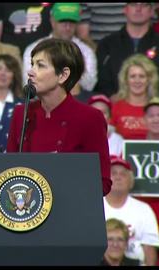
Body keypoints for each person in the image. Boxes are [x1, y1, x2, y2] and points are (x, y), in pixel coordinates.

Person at [6, 38, 112, 196]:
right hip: (27, 211)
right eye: (32, 64)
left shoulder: (90, 118)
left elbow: (102, 182)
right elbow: (7, 173)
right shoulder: (21, 114)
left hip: (70, 210)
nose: (31, 71)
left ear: (63, 75)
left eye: (40, 65)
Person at [95, 2, 159, 98]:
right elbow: (101, 80)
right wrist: (114, 98)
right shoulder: (107, 44)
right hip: (115, 106)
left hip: (154, 106)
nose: (138, 9)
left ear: (151, 11)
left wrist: (152, 100)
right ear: (125, 9)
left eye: (144, 4)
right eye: (133, 4)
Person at [23, 3, 97, 92]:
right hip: (42, 99)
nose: (68, 26)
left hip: (76, 99)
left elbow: (90, 86)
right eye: (63, 21)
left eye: (72, 21)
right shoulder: (34, 49)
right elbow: (28, 82)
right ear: (52, 21)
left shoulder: (86, 52)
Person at [103, 156, 159, 265]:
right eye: (114, 173)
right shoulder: (95, 207)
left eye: (123, 174)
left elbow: (149, 251)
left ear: (131, 182)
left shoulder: (144, 210)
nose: (118, 177)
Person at [110, 54, 159, 140]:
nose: (137, 81)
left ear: (149, 80)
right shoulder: (115, 106)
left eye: (142, 76)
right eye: (133, 76)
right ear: (126, 80)